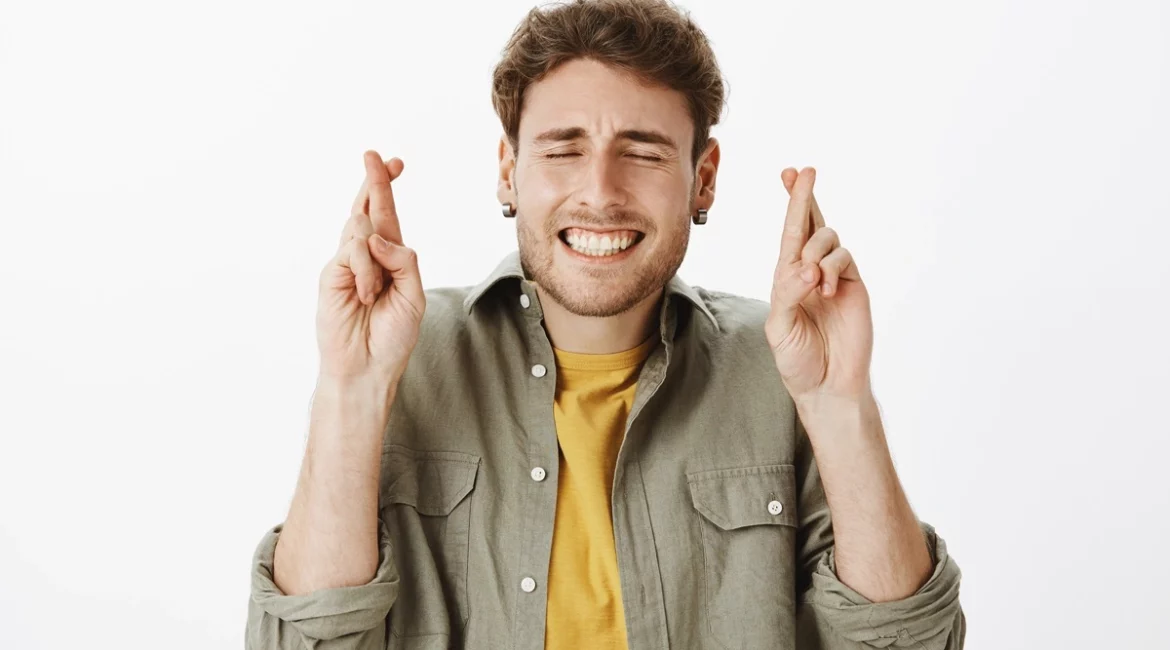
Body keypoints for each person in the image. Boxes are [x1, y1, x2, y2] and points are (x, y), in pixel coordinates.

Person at [245, 1, 965, 648]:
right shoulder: (405, 355)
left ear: (703, 178)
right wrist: (353, 388)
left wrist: (839, 403)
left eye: (643, 152)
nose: (600, 192)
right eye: (563, 149)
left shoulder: (777, 368)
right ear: (508, 169)